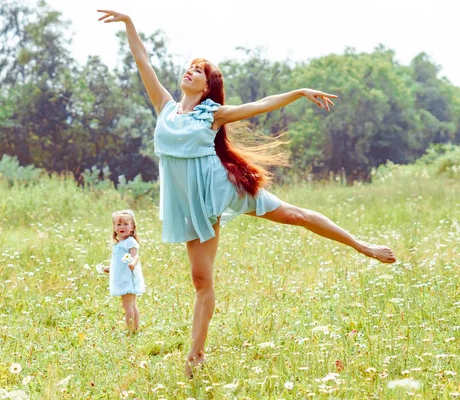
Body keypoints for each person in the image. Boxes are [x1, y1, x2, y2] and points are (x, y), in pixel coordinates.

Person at [97, 10, 396, 376]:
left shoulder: (212, 113)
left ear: (206, 87)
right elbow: (142, 59)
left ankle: (362, 245)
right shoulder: (165, 108)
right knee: (200, 279)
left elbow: (260, 105)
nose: (189, 71)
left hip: (221, 189)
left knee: (295, 215)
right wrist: (129, 23)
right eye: (189, 67)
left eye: (199, 70)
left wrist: (300, 92)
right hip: (190, 203)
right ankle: (198, 354)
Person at [108, 209, 145, 332]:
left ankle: (131, 329)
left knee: (128, 305)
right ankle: (134, 328)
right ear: (114, 227)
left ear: (132, 227)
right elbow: (118, 262)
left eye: (125, 224)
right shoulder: (119, 243)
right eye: (118, 224)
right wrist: (110, 268)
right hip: (123, 276)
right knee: (131, 304)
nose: (122, 227)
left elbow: (135, 256)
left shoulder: (130, 242)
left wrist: (133, 264)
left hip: (128, 277)